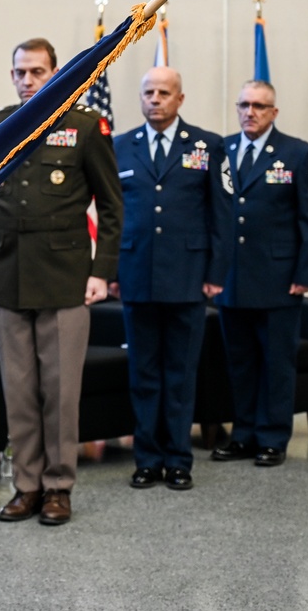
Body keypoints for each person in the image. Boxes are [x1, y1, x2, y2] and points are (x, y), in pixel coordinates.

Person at [0, 37, 122, 525]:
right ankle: (27, 485)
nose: (27, 80)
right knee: (18, 392)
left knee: (60, 394)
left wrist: (102, 273)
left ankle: (59, 486)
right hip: (9, 276)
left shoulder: (83, 127)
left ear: (56, 73)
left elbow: (112, 207)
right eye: (20, 72)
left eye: (37, 71)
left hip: (65, 278)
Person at [110, 66, 232, 491]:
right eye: (148, 93)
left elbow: (222, 213)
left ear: (180, 99)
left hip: (188, 277)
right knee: (143, 373)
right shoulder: (120, 146)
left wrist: (216, 274)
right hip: (136, 275)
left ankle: (178, 460)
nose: (155, 99)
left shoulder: (207, 145)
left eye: (164, 92)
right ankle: (147, 459)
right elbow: (111, 217)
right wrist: (109, 271)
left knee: (180, 374)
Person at [212, 79, 308, 467]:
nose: (250, 112)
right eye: (244, 104)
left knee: (277, 363)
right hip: (231, 280)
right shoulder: (222, 150)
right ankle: (243, 434)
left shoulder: (300, 154)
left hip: (280, 279)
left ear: (273, 112)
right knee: (240, 362)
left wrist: (307, 273)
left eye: (260, 106)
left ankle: (273, 437)